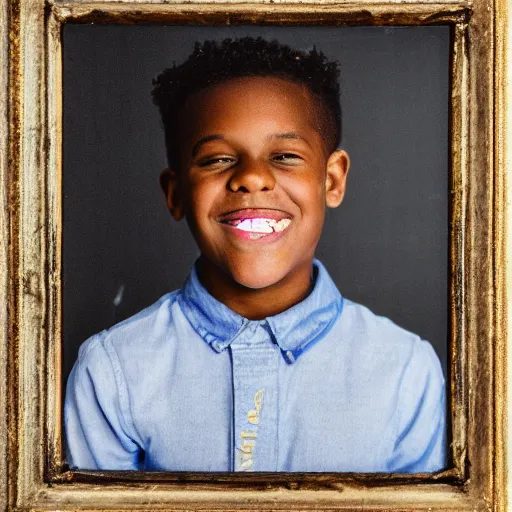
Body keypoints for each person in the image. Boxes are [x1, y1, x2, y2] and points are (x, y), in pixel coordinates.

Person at [64, 37, 446, 472]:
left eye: (284, 156)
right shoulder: (112, 371)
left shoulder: (405, 370)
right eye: (216, 160)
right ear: (175, 194)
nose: (251, 178)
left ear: (333, 180)